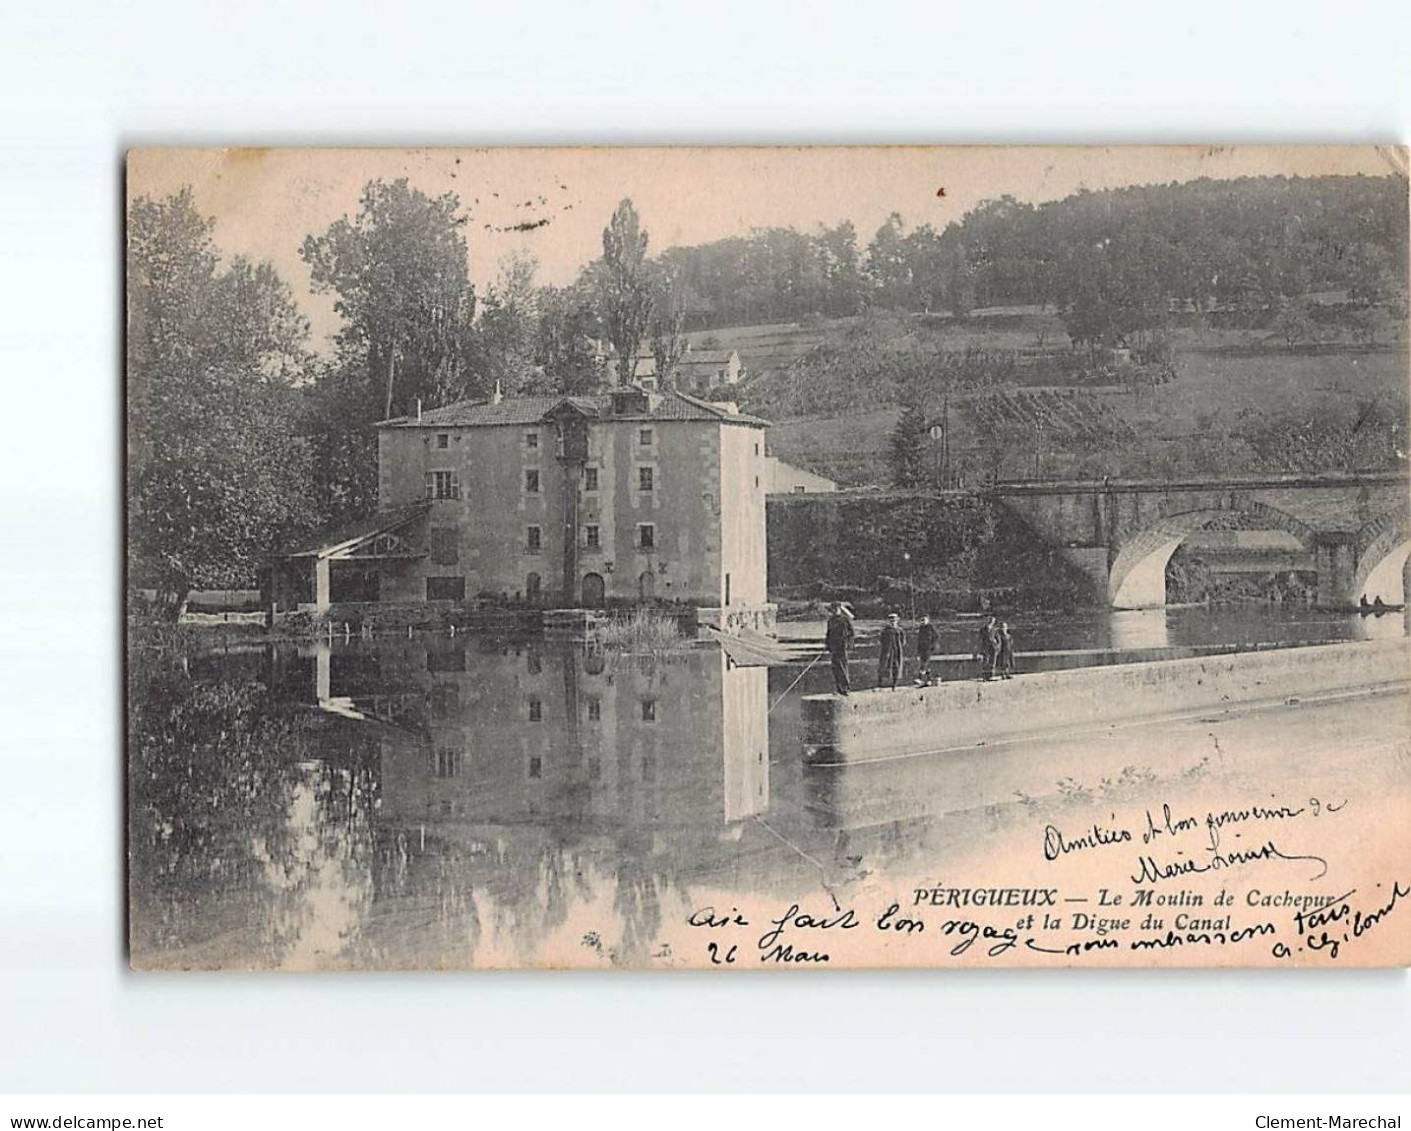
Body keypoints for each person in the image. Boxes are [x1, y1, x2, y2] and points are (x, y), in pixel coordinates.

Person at [824, 602, 855, 696]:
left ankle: (846, 688)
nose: (832, 611)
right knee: (835, 667)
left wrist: (847, 643)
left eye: (834, 609)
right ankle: (839, 688)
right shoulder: (831, 620)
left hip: (842, 646)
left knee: (842, 666)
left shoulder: (845, 619)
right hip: (834, 647)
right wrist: (827, 644)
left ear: (838, 609)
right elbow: (828, 633)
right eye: (831, 610)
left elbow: (851, 633)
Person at [877, 612, 905, 690]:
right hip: (887, 650)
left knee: (896, 666)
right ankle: (880, 682)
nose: (893, 622)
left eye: (894, 620)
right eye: (891, 621)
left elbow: (903, 641)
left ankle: (894, 684)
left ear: (897, 621)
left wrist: (899, 646)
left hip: (897, 650)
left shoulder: (899, 630)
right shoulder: (885, 631)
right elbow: (881, 640)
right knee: (884, 665)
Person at [914, 614, 938, 686]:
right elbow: (919, 639)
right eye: (921, 620)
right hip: (922, 648)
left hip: (928, 648)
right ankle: (929, 679)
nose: (923, 621)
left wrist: (932, 644)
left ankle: (920, 678)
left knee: (924, 662)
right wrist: (918, 649)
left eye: (924, 620)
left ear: (928, 620)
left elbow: (936, 636)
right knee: (925, 663)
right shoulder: (921, 628)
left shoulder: (931, 627)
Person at [974, 615, 999, 680]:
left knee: (993, 661)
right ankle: (985, 676)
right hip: (986, 648)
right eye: (990, 621)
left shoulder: (994, 630)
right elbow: (979, 639)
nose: (991, 622)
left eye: (992, 621)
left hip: (993, 647)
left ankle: (991, 675)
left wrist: (997, 646)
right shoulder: (982, 630)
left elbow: (998, 639)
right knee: (986, 661)